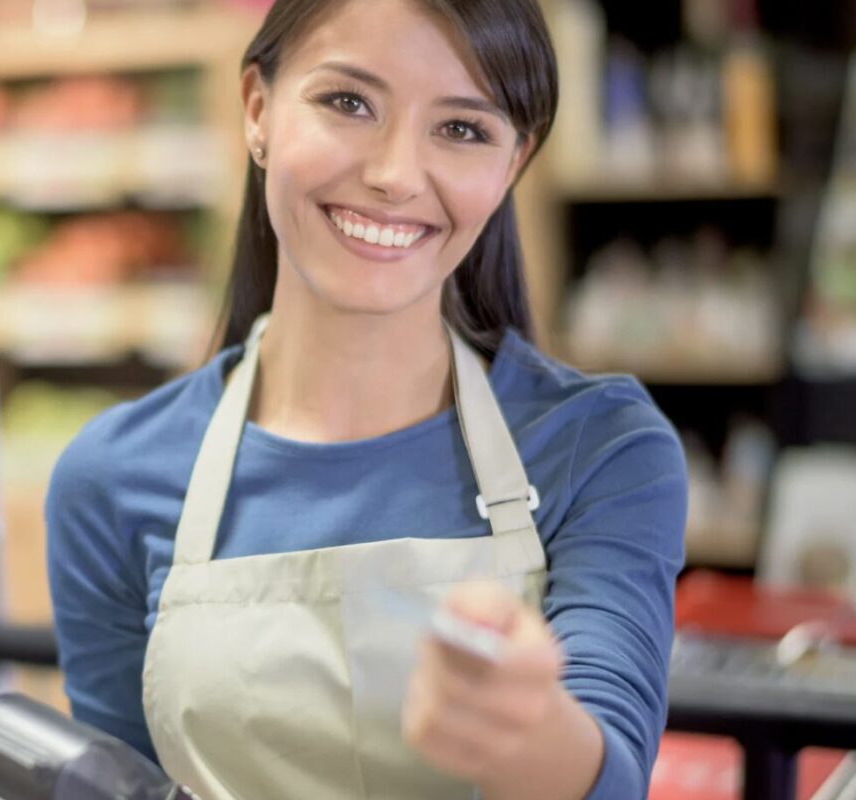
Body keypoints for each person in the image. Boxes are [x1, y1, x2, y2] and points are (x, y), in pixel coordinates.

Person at [44, 0, 687, 798]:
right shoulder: (109, 478)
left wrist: (524, 726)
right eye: (348, 103)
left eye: (462, 129)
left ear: (512, 165)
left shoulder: (602, 448)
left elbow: (612, 776)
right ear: (257, 110)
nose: (393, 175)